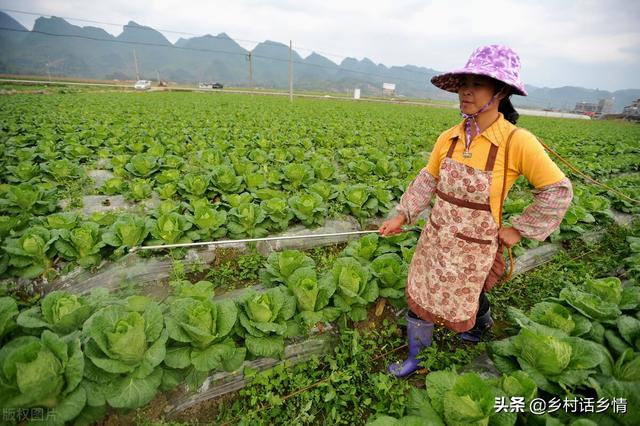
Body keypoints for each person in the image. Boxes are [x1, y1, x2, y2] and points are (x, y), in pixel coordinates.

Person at [379, 45, 573, 378]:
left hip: (475, 247)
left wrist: (518, 229)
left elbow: (557, 191)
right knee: (419, 296)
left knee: (470, 293)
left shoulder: (517, 142)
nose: (466, 91)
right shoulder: (449, 138)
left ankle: (480, 325)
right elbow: (428, 180)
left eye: (478, 83)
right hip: (436, 238)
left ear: (500, 92)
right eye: (464, 82)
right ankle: (416, 357)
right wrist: (402, 214)